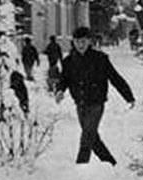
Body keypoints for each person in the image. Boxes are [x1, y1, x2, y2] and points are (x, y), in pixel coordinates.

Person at [54, 26, 135, 166]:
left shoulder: (100, 59)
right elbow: (64, 79)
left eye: (83, 41)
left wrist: (129, 96)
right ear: (73, 42)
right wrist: (60, 90)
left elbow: (115, 78)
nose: (80, 45)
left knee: (87, 136)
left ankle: (80, 164)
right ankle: (110, 162)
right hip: (80, 102)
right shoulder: (68, 61)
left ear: (89, 41)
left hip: (96, 103)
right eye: (77, 41)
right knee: (92, 137)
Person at [0, 33, 29, 114]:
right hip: (11, 76)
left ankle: (13, 109)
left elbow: (15, 61)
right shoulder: (8, 49)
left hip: (12, 76)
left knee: (13, 93)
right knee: (14, 94)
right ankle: (14, 109)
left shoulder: (9, 48)